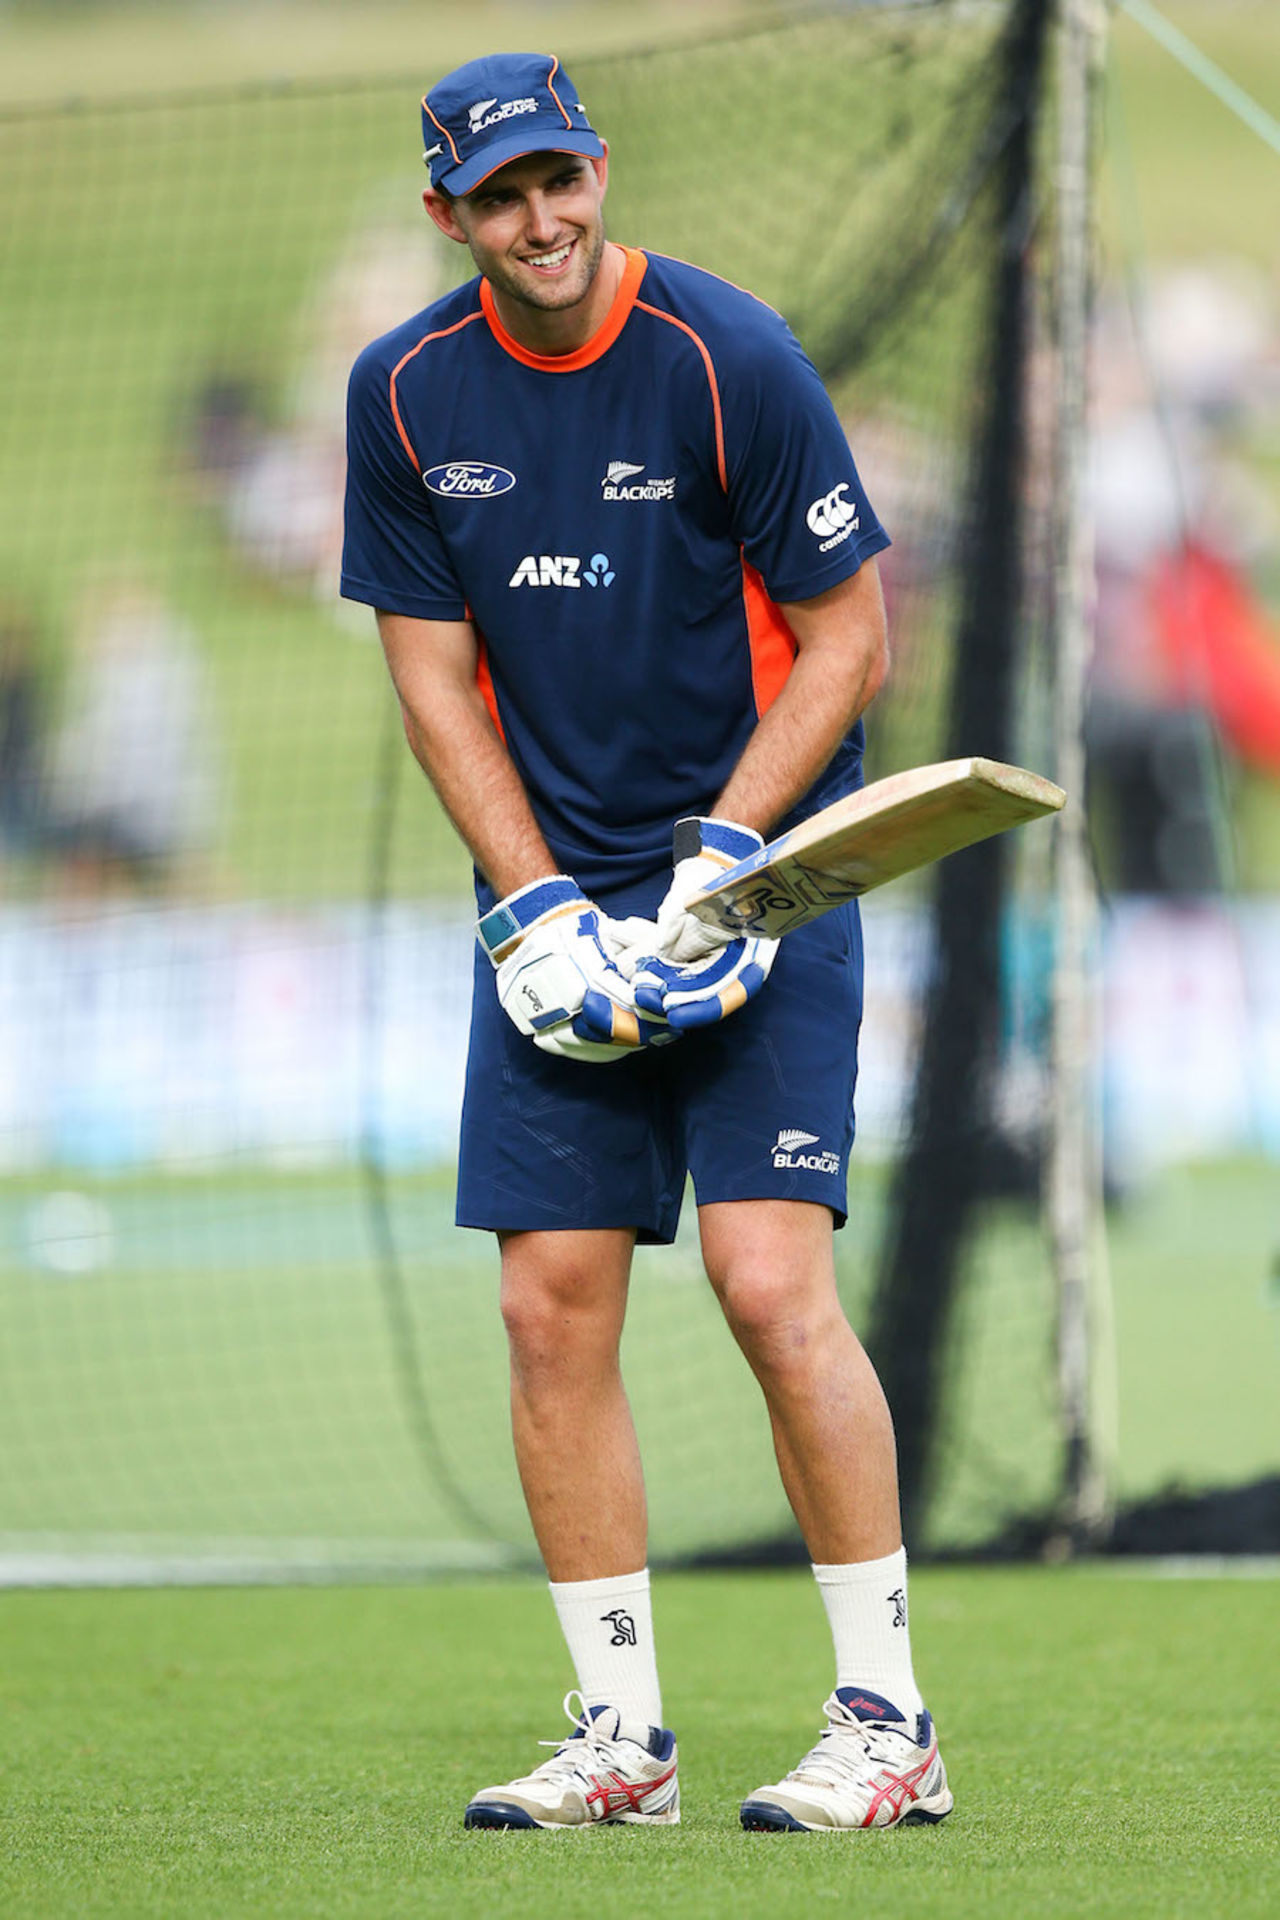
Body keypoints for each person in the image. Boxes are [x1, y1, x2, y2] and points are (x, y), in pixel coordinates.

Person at [341, 51, 952, 1835]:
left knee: (770, 1287)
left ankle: (889, 1727)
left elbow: (852, 643)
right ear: (449, 213)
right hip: (562, 902)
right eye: (501, 194)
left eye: (562, 179)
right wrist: (534, 905)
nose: (542, 219)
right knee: (548, 1308)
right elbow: (432, 682)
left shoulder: (727, 357)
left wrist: (723, 864)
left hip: (758, 876)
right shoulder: (401, 395)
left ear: (599, 171)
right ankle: (623, 1742)